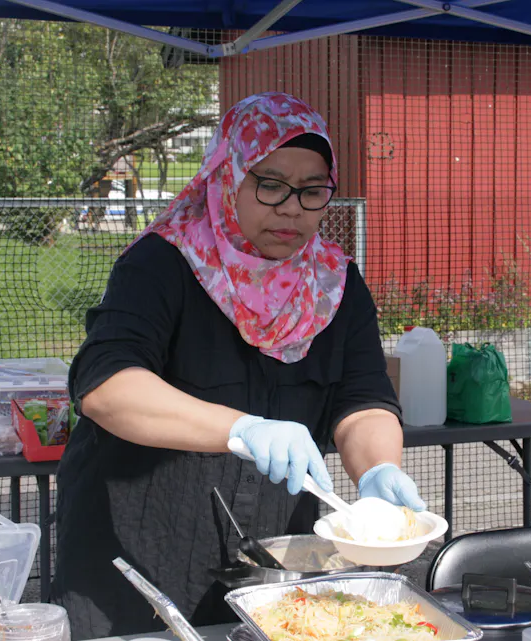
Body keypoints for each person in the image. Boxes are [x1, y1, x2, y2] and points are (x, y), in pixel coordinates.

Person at [51, 92, 426, 639]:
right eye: (269, 183)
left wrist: (376, 469)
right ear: (227, 177)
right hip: (143, 554)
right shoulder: (163, 263)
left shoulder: (334, 284)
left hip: (278, 562)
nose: (292, 207)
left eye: (312, 189)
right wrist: (242, 429)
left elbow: (362, 399)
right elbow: (107, 387)